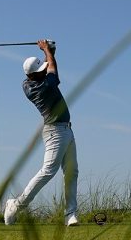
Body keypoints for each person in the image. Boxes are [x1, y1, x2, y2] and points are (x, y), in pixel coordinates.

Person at [4, 39, 79, 226]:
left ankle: (70, 214)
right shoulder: (44, 86)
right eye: (41, 71)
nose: (44, 70)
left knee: (71, 172)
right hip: (55, 132)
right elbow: (53, 69)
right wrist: (47, 49)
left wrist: (49, 52)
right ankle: (16, 205)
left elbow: (49, 66)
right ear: (34, 76)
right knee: (48, 171)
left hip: (66, 130)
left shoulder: (28, 83)